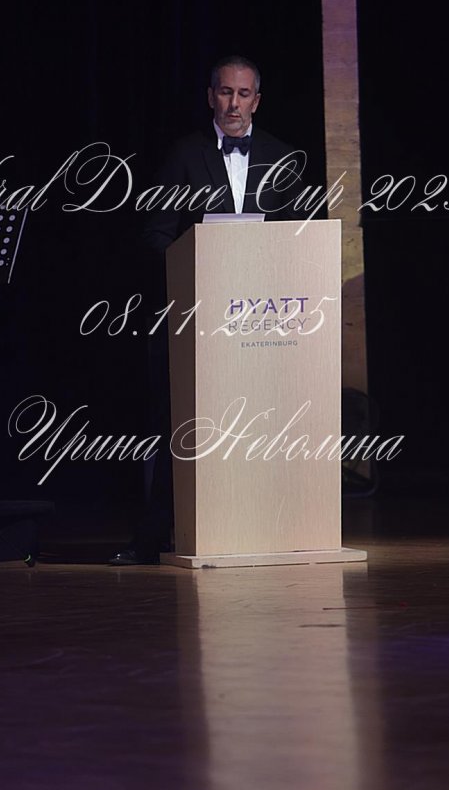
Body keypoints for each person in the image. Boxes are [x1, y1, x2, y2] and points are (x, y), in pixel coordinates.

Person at [109, 55, 312, 565]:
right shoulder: (183, 154)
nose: (234, 104)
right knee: (175, 425)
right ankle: (154, 536)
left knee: (265, 420)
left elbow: (299, 238)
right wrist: (197, 269)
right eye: (225, 92)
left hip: (261, 319)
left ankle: (270, 527)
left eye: (243, 94)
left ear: (257, 101)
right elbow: (155, 233)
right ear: (210, 97)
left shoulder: (282, 157)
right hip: (193, 316)